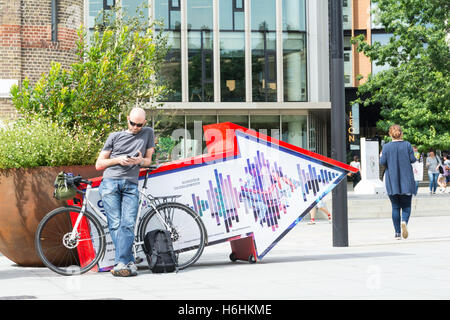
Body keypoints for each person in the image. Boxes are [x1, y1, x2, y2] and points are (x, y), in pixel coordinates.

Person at [95, 107, 155, 277]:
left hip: (130, 184)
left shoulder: (148, 133)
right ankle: (126, 262)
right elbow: (99, 164)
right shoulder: (114, 136)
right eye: (132, 123)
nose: (135, 127)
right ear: (127, 119)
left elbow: (148, 160)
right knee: (114, 223)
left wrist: (139, 160)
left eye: (139, 125)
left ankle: (122, 263)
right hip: (110, 183)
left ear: (144, 123)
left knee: (127, 223)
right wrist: (118, 160)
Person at [380, 124, 416, 240]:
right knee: (406, 206)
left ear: (390, 134)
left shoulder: (386, 147)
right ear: (401, 133)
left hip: (392, 180)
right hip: (406, 179)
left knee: (395, 207)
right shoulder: (407, 145)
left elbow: (382, 162)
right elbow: (412, 160)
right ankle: (404, 221)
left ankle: (397, 233)